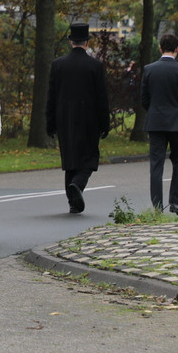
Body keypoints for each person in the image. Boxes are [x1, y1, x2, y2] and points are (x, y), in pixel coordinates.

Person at [45, 22, 110, 215]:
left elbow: (51, 97)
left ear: (70, 41)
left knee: (70, 159)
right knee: (89, 158)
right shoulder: (95, 66)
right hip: (89, 120)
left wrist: (50, 123)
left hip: (64, 119)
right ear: (87, 43)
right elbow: (101, 98)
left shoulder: (58, 65)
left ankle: (73, 201)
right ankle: (77, 185)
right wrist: (105, 123)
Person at [140, 33, 178, 215]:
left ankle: (157, 206)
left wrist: (154, 111)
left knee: (156, 164)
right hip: (176, 123)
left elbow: (144, 99)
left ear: (160, 48)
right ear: (177, 50)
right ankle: (175, 202)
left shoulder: (149, 70)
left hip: (155, 122)